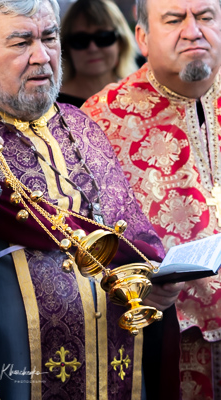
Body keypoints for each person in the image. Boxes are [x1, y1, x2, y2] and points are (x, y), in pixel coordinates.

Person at [0, 0, 183, 399]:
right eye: (21, 41)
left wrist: (153, 280)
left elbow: (131, 234)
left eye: (50, 37)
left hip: (118, 359)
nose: (42, 56)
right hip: (15, 367)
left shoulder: (81, 124)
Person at [81, 0, 221, 398]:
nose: (193, 30)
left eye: (206, 17)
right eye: (175, 19)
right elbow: (85, 239)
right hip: (166, 337)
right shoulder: (100, 119)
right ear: (141, 36)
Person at [57, 0, 139, 107]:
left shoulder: (140, 97)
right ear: (66, 48)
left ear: (121, 43)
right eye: (80, 40)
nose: (93, 48)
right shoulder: (51, 106)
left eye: (103, 37)